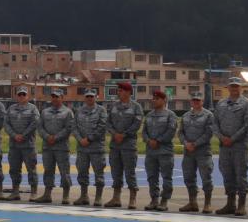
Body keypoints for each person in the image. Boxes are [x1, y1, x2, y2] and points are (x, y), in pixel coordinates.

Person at [214, 78, 248, 216]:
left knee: (240, 175)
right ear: (228, 87)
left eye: (236, 86)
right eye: (232, 86)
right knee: (227, 174)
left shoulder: (246, 104)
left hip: (239, 145)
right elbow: (214, 124)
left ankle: (241, 205)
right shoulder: (221, 104)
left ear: (241, 88)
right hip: (224, 146)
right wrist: (221, 137)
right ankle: (230, 203)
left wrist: (232, 138)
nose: (234, 89)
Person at [105, 81, 143, 209]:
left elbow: (137, 124)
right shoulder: (113, 106)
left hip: (128, 144)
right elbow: (108, 122)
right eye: (118, 90)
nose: (118, 92)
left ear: (128, 92)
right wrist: (114, 133)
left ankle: (132, 199)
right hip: (115, 144)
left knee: (129, 172)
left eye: (121, 90)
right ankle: (116, 198)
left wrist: (124, 134)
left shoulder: (136, 107)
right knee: (116, 171)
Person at [177, 91, 216, 213]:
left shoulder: (208, 115)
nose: (195, 102)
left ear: (202, 102)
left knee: (206, 177)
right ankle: (192, 202)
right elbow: (180, 132)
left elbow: (209, 133)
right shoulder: (186, 116)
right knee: (189, 177)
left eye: (198, 100)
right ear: (191, 102)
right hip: (188, 152)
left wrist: (195, 144)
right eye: (194, 100)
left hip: (203, 151)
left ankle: (207, 203)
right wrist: (185, 143)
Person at [33, 89, 74, 204]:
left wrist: (55, 137)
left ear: (62, 98)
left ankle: (65, 195)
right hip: (47, 147)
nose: (55, 99)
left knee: (64, 171)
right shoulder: (45, 112)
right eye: (53, 97)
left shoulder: (68, 112)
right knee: (48, 170)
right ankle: (47, 194)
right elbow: (39, 127)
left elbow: (68, 128)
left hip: (61, 147)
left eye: (57, 97)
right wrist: (47, 137)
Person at [142, 89, 177, 211]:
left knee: (166, 176)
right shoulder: (149, 115)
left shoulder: (170, 115)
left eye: (157, 99)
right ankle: (154, 199)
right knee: (152, 176)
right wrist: (148, 140)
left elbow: (171, 131)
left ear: (164, 100)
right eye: (154, 99)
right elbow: (144, 131)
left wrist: (158, 141)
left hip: (164, 151)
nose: (154, 101)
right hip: (151, 151)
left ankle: (164, 200)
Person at [72, 89, 108, 206]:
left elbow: (102, 127)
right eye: (87, 96)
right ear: (84, 98)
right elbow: (74, 127)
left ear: (95, 97)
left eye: (91, 97)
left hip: (96, 148)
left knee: (98, 172)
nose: (89, 98)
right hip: (82, 148)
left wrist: (89, 139)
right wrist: (80, 139)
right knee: (82, 172)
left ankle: (98, 197)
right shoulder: (79, 111)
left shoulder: (101, 110)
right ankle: (84, 196)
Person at [5, 87, 40, 202]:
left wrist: (23, 135)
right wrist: (14, 135)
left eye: (23, 94)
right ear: (16, 96)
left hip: (28, 145)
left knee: (31, 169)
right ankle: (15, 192)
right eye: (19, 94)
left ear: (27, 96)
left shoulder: (33, 109)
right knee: (14, 169)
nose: (21, 97)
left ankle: (33, 192)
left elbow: (35, 123)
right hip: (14, 145)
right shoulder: (11, 109)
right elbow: (6, 124)